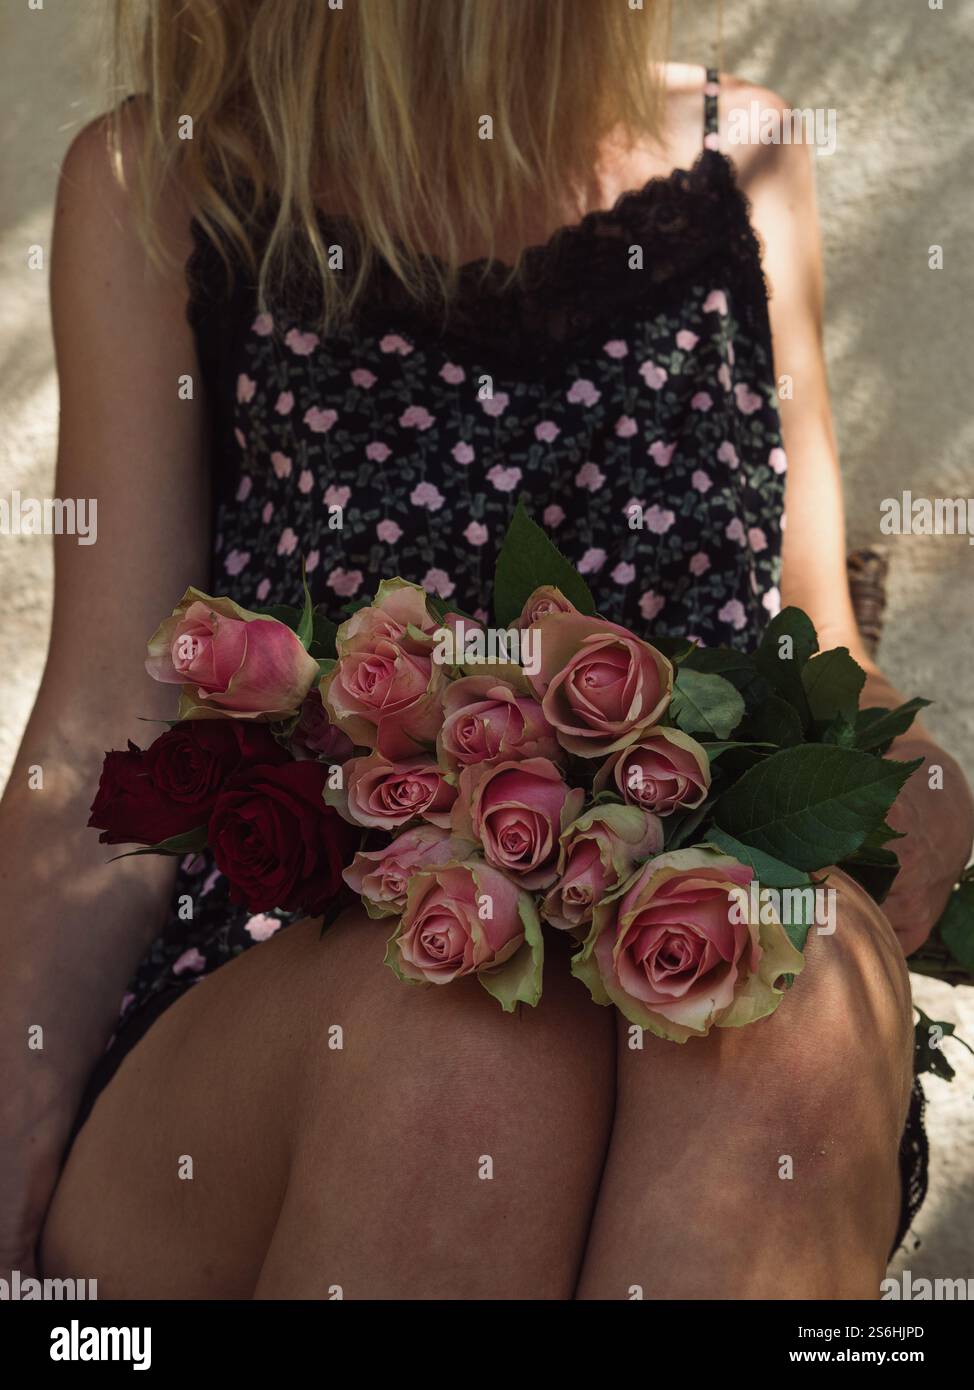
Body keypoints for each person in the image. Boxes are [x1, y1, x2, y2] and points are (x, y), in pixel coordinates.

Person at [2, 0, 971, 1300]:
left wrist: (912, 771)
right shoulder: (174, 190)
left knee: (784, 981)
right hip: (266, 1023)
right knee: (461, 1030)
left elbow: (816, 648)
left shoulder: (745, 159)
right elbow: (100, 731)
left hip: (670, 955)